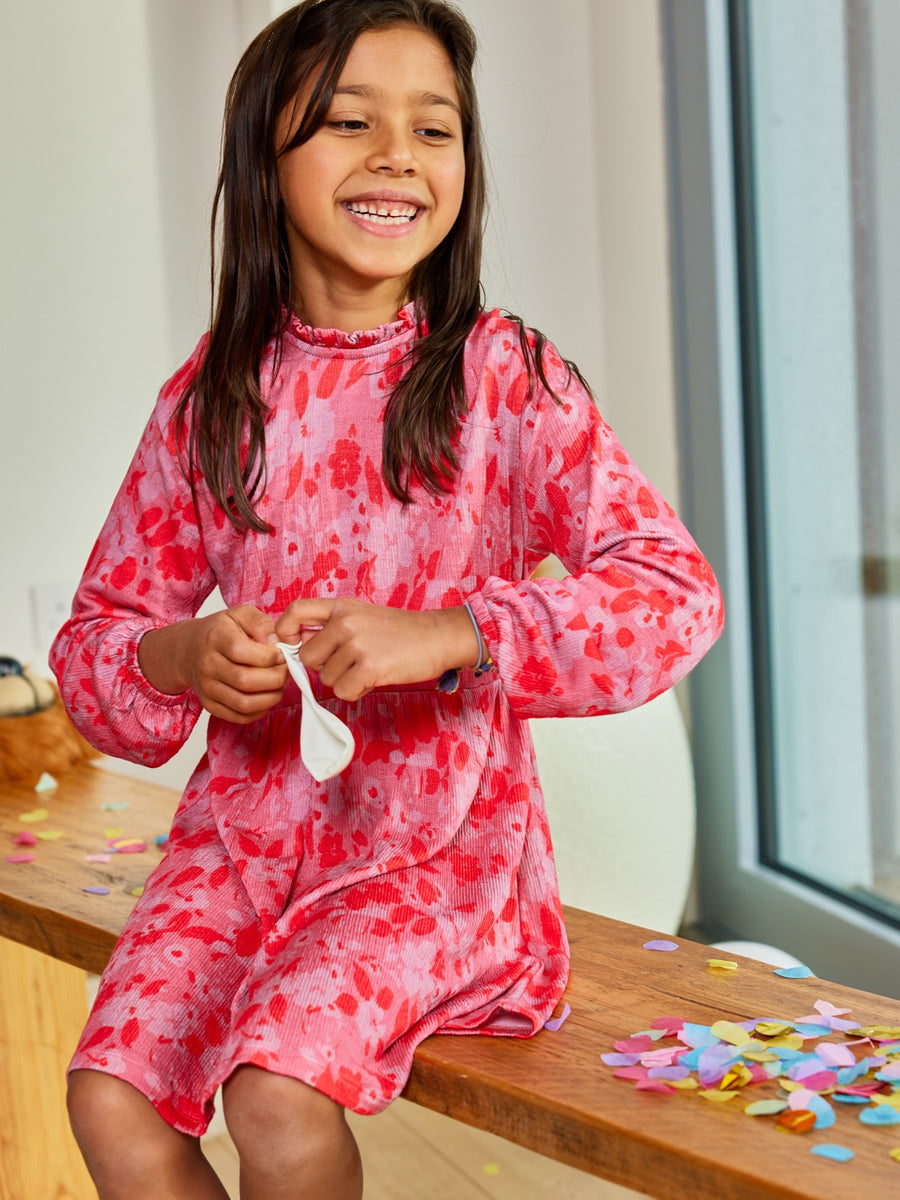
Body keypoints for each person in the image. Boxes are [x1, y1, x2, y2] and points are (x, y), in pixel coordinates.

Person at [51, 1, 724, 1196]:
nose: (399, 157)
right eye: (351, 121)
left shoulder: (505, 378)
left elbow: (674, 597)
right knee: (110, 1098)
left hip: (440, 866)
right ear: (265, 155)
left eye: (436, 128)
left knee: (275, 1089)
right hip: (239, 849)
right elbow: (95, 648)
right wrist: (181, 657)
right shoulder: (207, 402)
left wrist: (456, 633)